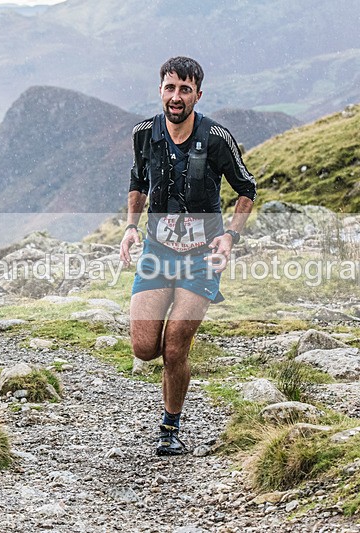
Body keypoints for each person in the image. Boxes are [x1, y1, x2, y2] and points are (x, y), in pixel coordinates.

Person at [119, 56, 256, 456]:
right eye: (169, 87)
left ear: (198, 93)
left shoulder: (216, 137)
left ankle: (169, 428)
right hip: (158, 252)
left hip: (201, 256)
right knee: (145, 348)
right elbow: (137, 178)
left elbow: (246, 187)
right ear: (160, 90)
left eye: (184, 89)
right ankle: (168, 376)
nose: (176, 97)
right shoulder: (144, 133)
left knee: (175, 347)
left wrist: (230, 236)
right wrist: (130, 227)